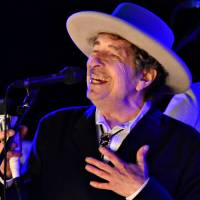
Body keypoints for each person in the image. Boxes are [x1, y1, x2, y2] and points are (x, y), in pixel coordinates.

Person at [1, 2, 200, 200]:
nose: (94, 61)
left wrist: (142, 191)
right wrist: (8, 175)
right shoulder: (55, 127)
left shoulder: (186, 146)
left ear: (145, 77)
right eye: (95, 51)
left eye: (112, 54)